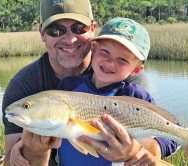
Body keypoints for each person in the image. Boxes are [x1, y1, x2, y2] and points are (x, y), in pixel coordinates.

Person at [2, 0, 164, 166]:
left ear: (93, 29)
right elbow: (10, 161)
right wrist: (31, 152)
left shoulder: (126, 75)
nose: (70, 39)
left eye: (79, 28)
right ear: (42, 33)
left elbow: (152, 129)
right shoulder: (23, 84)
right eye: (55, 30)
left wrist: (148, 150)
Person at [57, 17, 180, 166]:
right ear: (94, 49)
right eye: (105, 52)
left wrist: (156, 148)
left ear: (136, 70)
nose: (110, 63)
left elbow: (175, 132)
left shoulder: (136, 95)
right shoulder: (68, 86)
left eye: (122, 60)